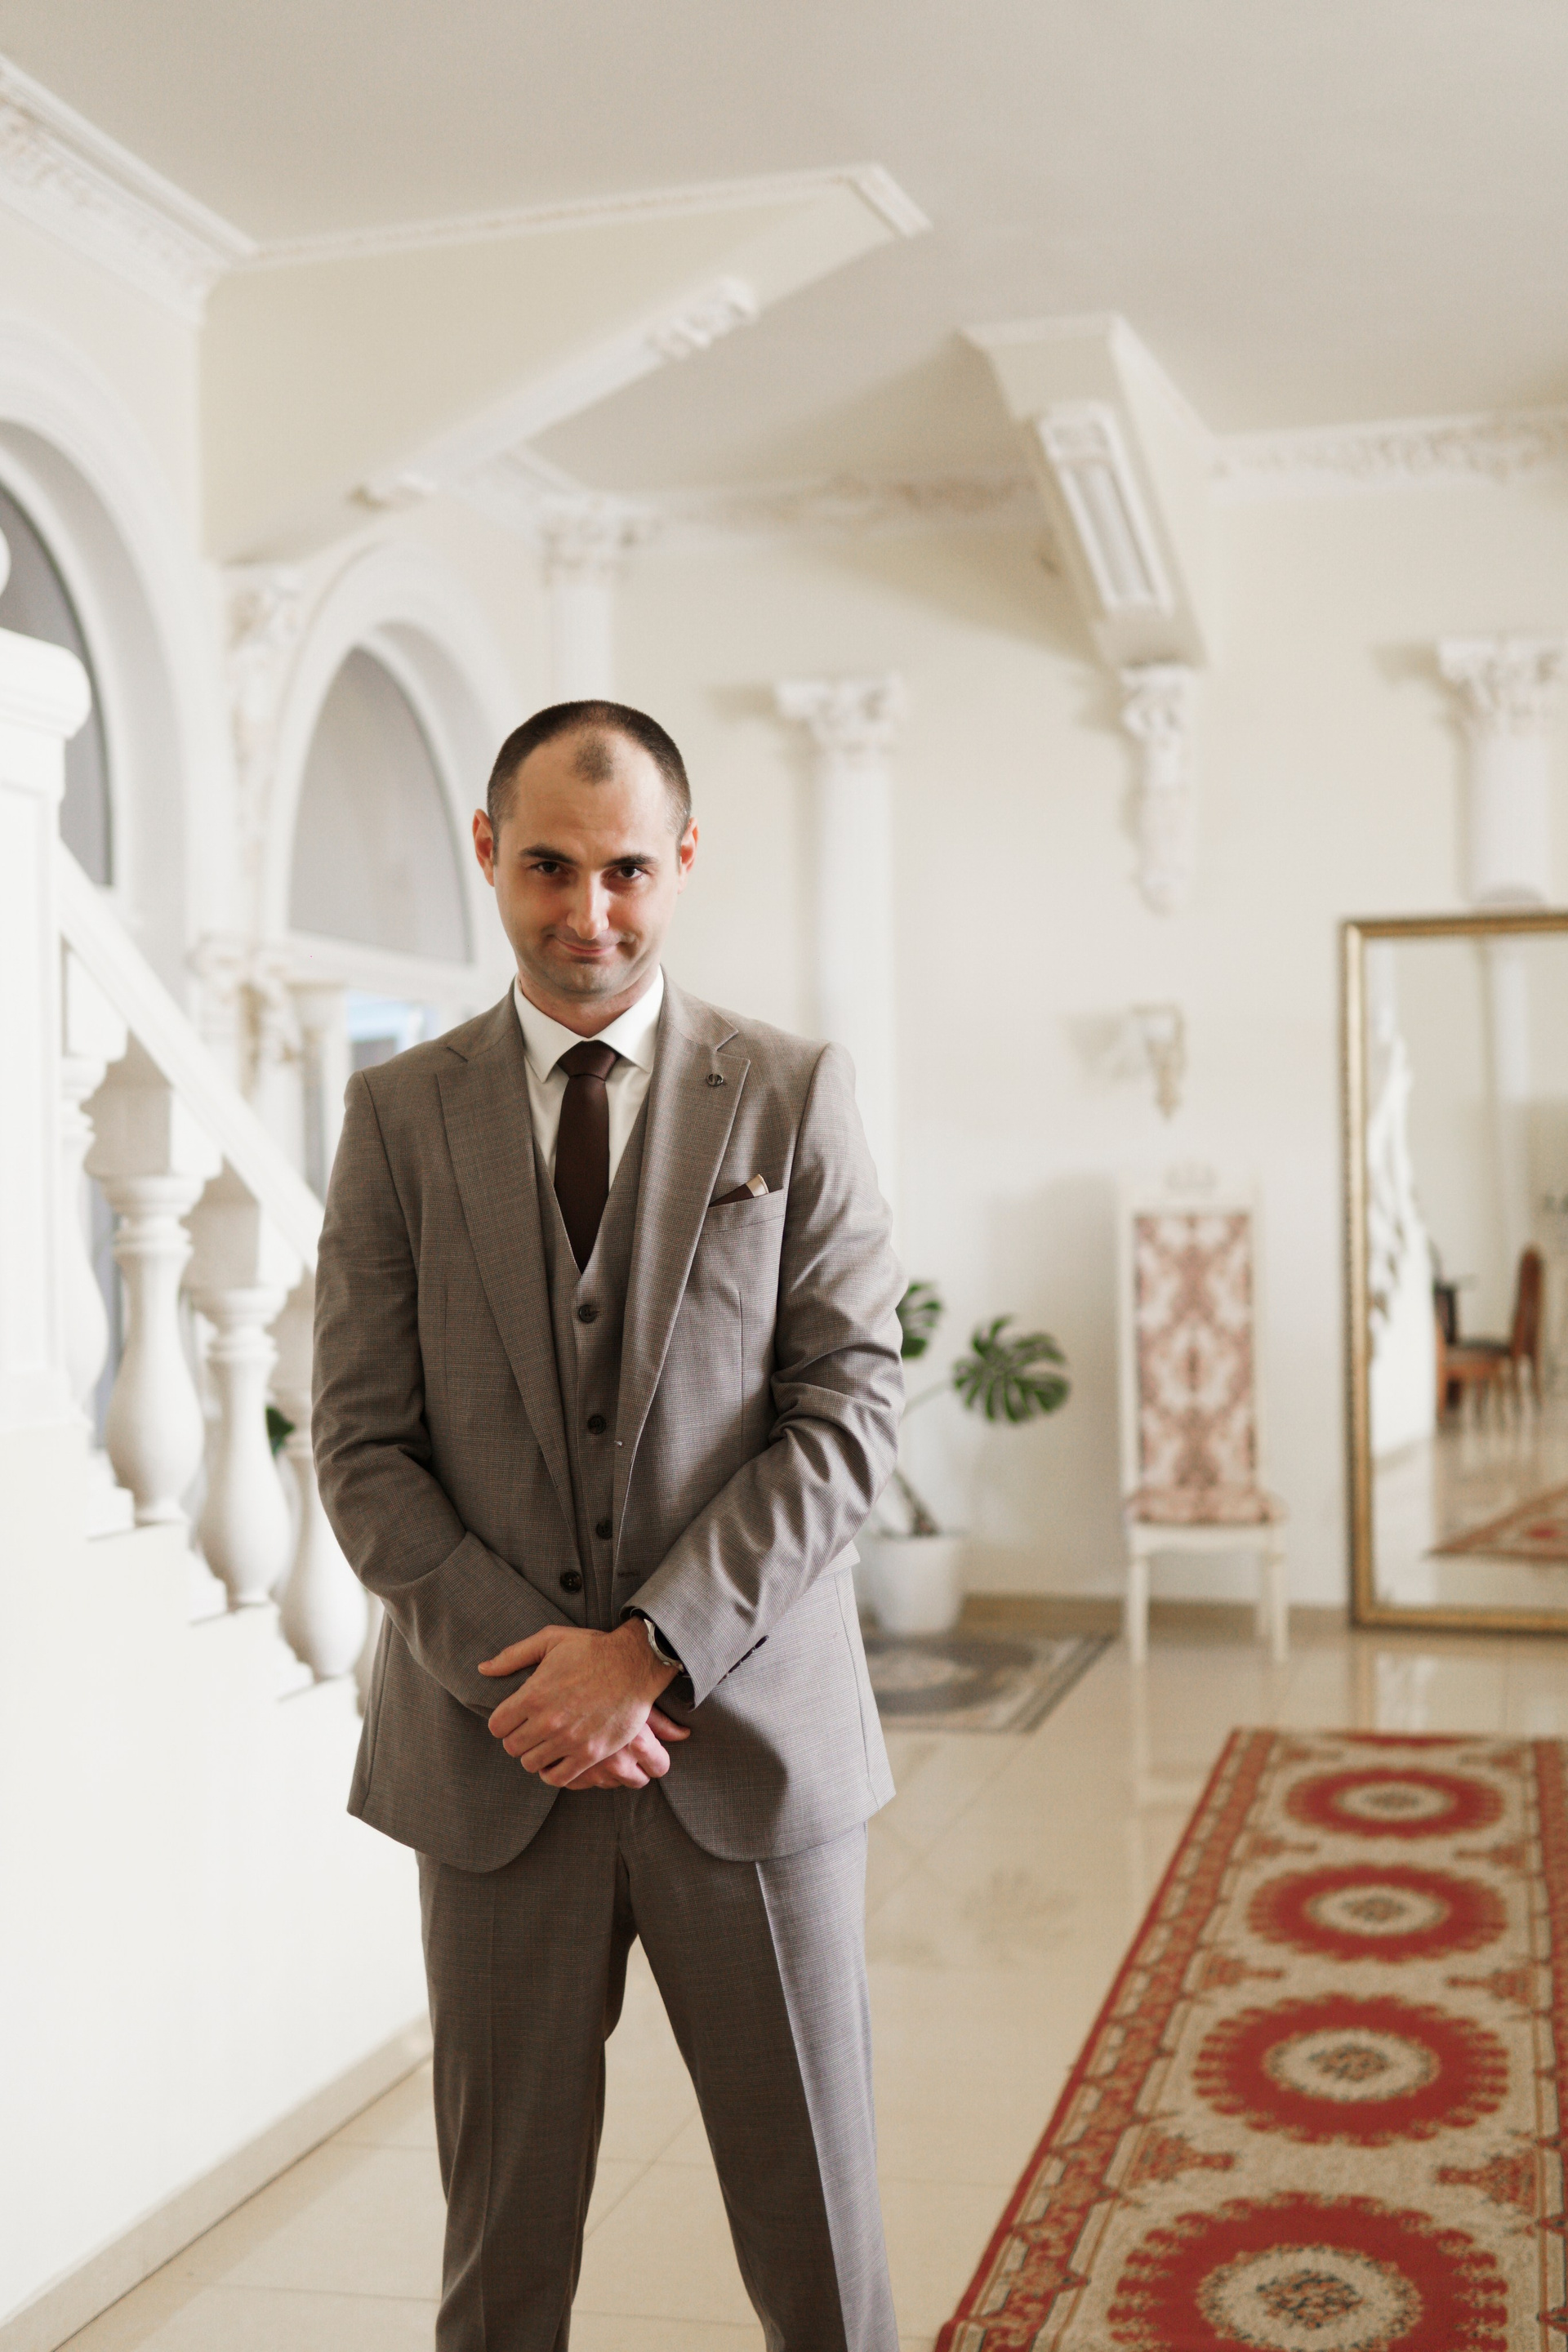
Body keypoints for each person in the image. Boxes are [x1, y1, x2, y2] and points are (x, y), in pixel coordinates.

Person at [313, 699, 905, 2351]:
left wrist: (648, 1652)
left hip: (753, 1759)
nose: (590, 913)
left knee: (823, 2257)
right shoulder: (396, 1117)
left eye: (628, 870)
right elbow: (361, 1446)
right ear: (488, 852)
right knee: (500, 2266)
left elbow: (849, 1415)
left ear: (684, 861)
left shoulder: (790, 1093)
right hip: (494, 1762)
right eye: (551, 868)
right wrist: (541, 1673)